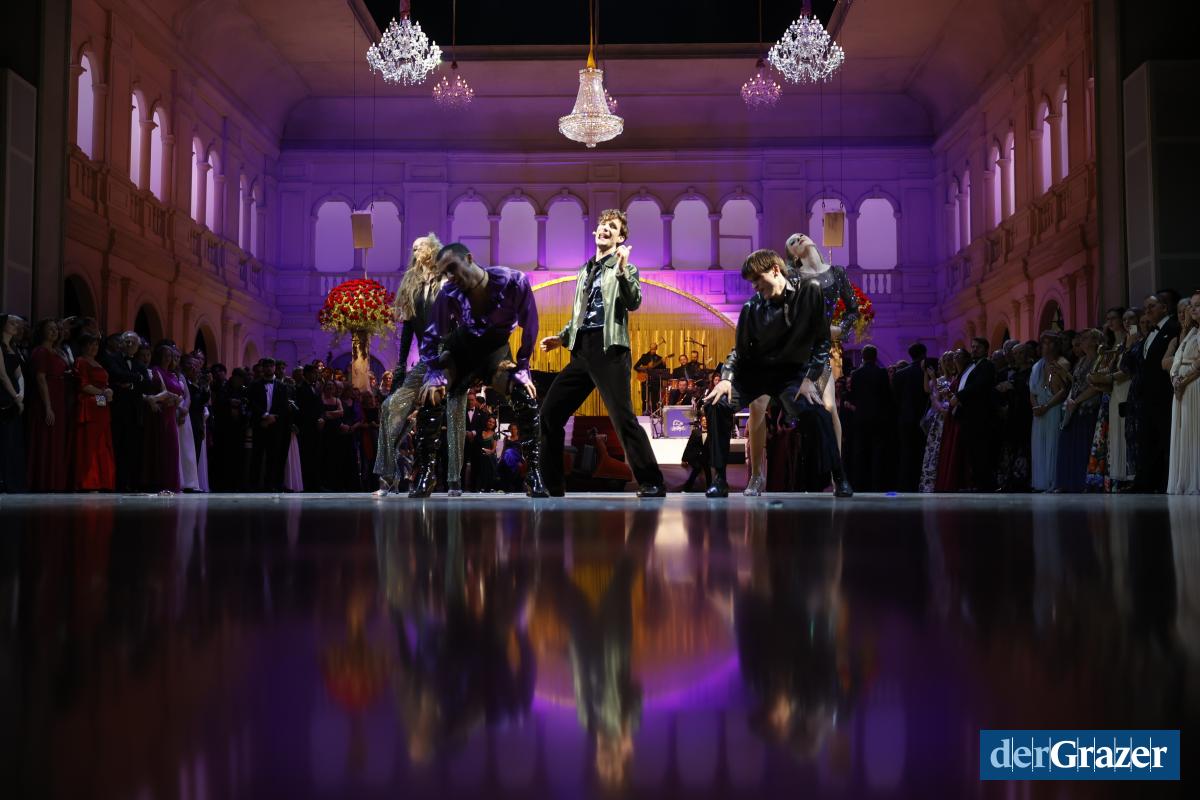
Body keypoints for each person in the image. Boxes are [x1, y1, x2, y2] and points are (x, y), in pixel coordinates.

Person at [702, 249, 853, 498]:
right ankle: (719, 479)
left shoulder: (810, 292)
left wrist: (810, 378)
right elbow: (739, 351)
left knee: (819, 413)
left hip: (791, 375)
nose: (754, 287)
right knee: (717, 404)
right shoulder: (752, 307)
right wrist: (726, 379)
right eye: (751, 282)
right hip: (756, 373)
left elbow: (822, 342)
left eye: (757, 279)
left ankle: (839, 477)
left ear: (774, 270)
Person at [539, 208, 666, 498]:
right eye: (603, 224)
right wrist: (562, 338)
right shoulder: (585, 270)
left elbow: (633, 301)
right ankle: (552, 483)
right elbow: (580, 313)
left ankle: (652, 481)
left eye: (613, 227)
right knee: (550, 413)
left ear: (620, 238)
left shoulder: (625, 268)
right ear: (596, 232)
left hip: (609, 349)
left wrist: (621, 269)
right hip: (581, 349)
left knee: (623, 419)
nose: (606, 228)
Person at [411, 242, 547, 498]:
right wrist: (434, 370)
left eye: (453, 268)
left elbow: (531, 325)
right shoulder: (449, 292)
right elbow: (431, 336)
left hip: (495, 353)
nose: (450, 277)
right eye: (445, 273)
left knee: (525, 395)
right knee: (431, 395)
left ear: (469, 259)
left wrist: (523, 366)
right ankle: (427, 473)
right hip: (461, 351)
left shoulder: (513, 281)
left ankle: (534, 474)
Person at [374, 234, 443, 494]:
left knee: (444, 413)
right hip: (427, 359)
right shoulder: (411, 283)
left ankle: (449, 478)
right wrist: (401, 364)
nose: (415, 250)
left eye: (420, 246)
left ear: (432, 248)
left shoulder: (445, 280)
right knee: (389, 407)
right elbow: (407, 328)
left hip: (447, 356)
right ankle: (387, 476)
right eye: (413, 247)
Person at [1132, 292, 1181, 492]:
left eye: (1152, 307)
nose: (1148, 311)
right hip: (1147, 396)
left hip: (1164, 393)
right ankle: (1146, 482)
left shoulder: (1174, 327)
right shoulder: (1149, 333)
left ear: (1164, 307)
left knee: (1164, 439)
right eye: (1145, 308)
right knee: (1148, 439)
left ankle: (1164, 482)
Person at [26, 318, 70, 491]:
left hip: (59, 397)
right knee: (45, 438)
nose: (54, 331)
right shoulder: (40, 351)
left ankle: (55, 481)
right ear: (42, 331)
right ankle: (43, 480)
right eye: (50, 328)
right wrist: (48, 406)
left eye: (56, 329)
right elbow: (40, 378)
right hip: (47, 399)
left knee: (56, 440)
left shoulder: (57, 352)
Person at [950, 337, 998, 491]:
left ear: (986, 349)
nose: (974, 349)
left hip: (980, 415)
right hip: (968, 414)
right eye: (973, 346)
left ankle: (984, 484)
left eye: (978, 347)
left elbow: (979, 385)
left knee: (980, 450)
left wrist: (959, 396)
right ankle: (975, 482)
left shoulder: (987, 365)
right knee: (972, 450)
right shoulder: (971, 366)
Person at [1167, 291, 1200, 494]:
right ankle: (1185, 479)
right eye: (1192, 306)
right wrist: (1175, 379)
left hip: (1194, 386)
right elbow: (1177, 360)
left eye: (1197, 305)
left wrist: (1183, 381)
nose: (1193, 309)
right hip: (1183, 388)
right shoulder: (1191, 333)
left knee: (1194, 432)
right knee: (1185, 432)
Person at [847, 344, 893, 491]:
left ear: (862, 356)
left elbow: (853, 395)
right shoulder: (882, 373)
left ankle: (860, 484)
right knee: (878, 451)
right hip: (879, 417)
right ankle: (877, 484)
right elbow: (887, 395)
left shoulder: (856, 374)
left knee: (860, 451)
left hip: (861, 416)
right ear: (875, 356)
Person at [73, 333, 115, 491]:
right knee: (90, 443)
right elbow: (83, 385)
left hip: (101, 404)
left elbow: (105, 384)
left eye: (96, 344)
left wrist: (109, 391)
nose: (94, 347)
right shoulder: (81, 361)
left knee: (102, 443)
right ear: (83, 346)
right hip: (89, 404)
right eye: (90, 344)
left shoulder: (98, 363)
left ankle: (103, 480)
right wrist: (102, 392)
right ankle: (90, 481)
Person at [892, 343, 930, 492]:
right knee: (922, 452)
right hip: (924, 418)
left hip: (904, 418)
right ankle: (921, 482)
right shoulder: (926, 372)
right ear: (924, 354)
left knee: (906, 453)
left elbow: (895, 398)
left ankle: (905, 485)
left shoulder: (899, 374)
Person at [0, 314, 27, 493]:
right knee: (4, 439)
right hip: (3, 396)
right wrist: (15, 397)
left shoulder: (13, 347)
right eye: (11, 323)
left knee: (12, 440)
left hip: (15, 397)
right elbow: (2, 375)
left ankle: (12, 481)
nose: (16, 326)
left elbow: (19, 375)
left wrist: (21, 394)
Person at [633, 342, 667, 414]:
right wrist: (646, 367)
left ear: (656, 349)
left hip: (655, 382)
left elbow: (663, 370)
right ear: (650, 348)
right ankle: (644, 414)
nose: (653, 350)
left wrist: (664, 363)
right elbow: (635, 367)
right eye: (652, 349)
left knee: (655, 400)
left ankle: (654, 414)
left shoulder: (659, 358)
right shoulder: (644, 356)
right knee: (645, 399)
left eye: (654, 349)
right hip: (645, 381)